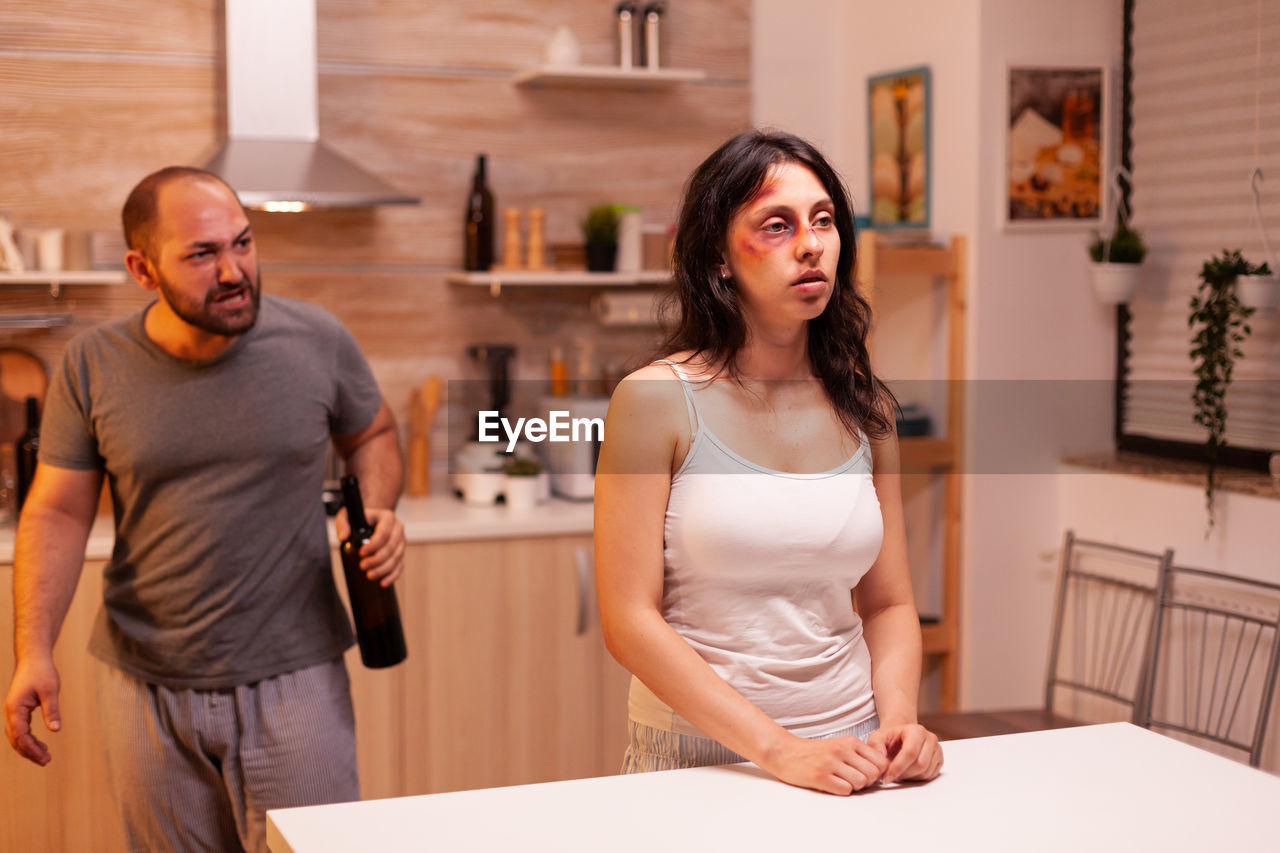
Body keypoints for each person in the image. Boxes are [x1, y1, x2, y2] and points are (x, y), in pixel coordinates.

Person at [3, 166, 406, 851]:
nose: (234, 270)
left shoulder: (317, 339)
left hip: (296, 672)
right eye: (202, 253)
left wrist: (380, 506)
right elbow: (58, 513)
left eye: (243, 243)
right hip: (146, 683)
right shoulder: (92, 364)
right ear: (141, 268)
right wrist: (32, 649)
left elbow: (373, 433)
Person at [594, 130, 943, 796]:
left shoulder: (864, 407)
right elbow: (628, 620)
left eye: (824, 220)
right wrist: (780, 751)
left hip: (854, 753)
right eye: (776, 225)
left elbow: (890, 601)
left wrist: (899, 720)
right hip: (699, 761)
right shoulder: (656, 400)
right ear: (720, 258)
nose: (811, 243)